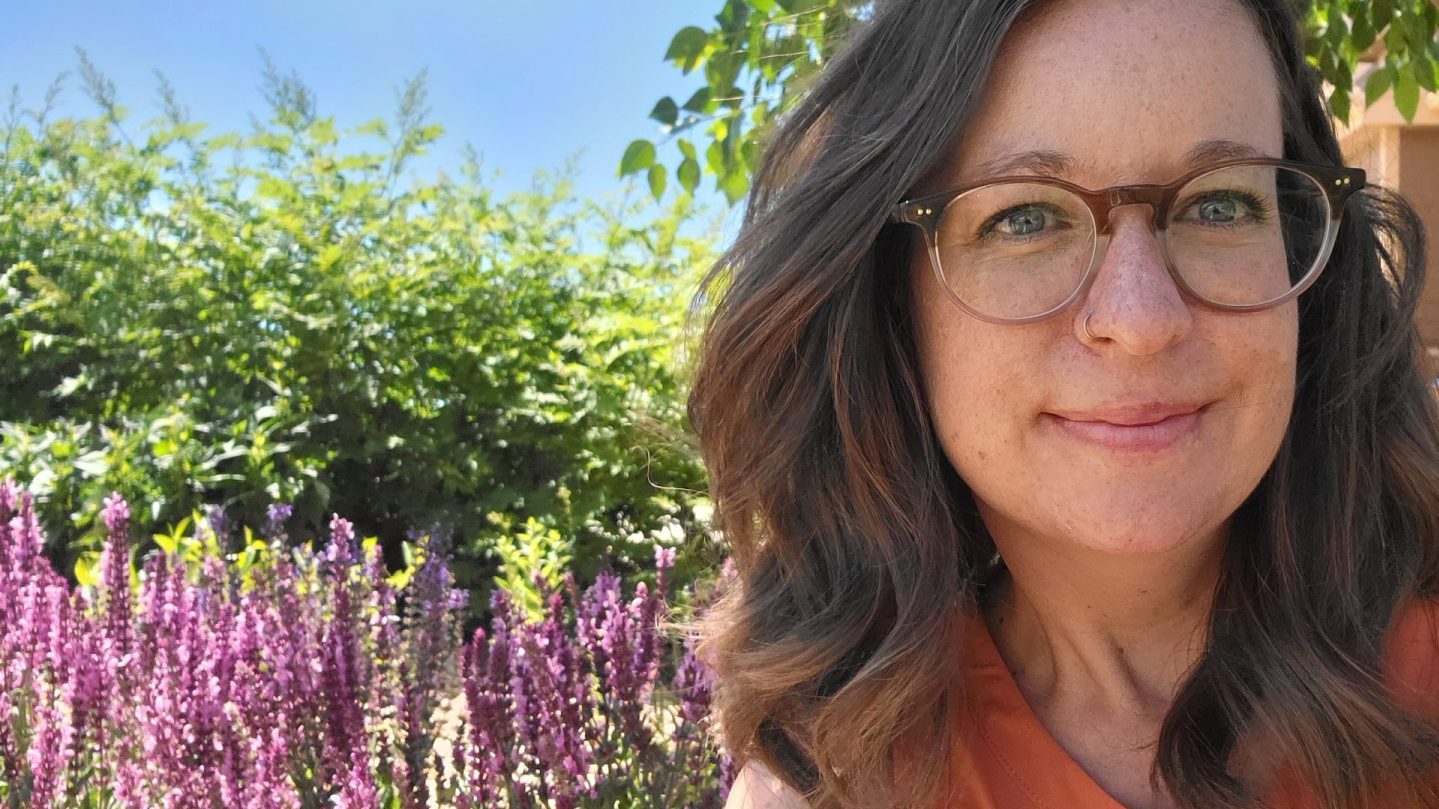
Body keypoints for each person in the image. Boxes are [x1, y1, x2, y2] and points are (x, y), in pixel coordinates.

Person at [684, 0, 1439, 807]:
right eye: (1025, 217)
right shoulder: (839, 774)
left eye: (1218, 205)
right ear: (890, 305)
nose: (1141, 320)